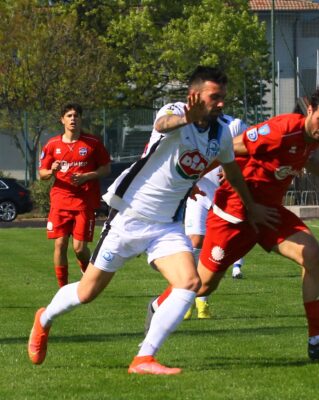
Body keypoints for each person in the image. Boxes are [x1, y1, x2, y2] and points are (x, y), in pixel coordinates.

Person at [27, 66, 275, 375]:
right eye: (215, 97)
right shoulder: (174, 112)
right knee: (86, 292)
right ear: (194, 96)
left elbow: (232, 170)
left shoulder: (221, 133)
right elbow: (163, 123)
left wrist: (250, 205)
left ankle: (143, 358)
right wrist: (187, 117)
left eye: (223, 97)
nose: (221, 104)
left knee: (189, 283)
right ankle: (44, 318)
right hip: (129, 216)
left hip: (166, 225)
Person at [148, 85, 319, 360]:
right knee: (201, 286)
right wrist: (191, 182)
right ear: (309, 109)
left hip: (269, 213)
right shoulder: (281, 129)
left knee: (315, 256)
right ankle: (158, 305)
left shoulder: (313, 136)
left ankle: (318, 341)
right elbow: (228, 148)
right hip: (234, 214)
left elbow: (306, 158)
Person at [182, 113, 248, 320]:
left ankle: (201, 301)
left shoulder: (234, 125)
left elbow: (249, 153)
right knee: (195, 240)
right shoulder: (190, 126)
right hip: (199, 191)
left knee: (217, 247)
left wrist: (234, 169)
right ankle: (186, 298)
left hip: (225, 195)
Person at [39, 104, 111, 288]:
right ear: (62, 119)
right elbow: (42, 173)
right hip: (60, 200)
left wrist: (87, 176)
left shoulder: (92, 143)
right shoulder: (52, 145)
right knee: (60, 244)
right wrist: (51, 170)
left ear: (80, 119)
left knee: (79, 248)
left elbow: (106, 168)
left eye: (76, 115)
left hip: (83, 202)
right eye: (69, 115)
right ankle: (62, 288)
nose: (73, 119)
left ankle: (87, 273)